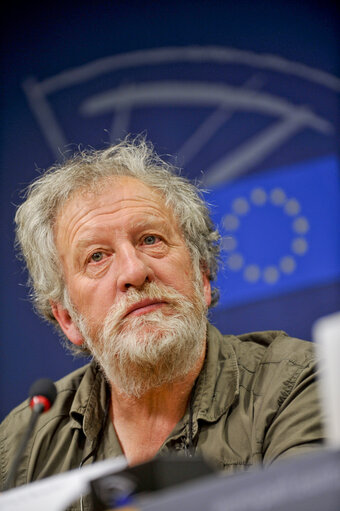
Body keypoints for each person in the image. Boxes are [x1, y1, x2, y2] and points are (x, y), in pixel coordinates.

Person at [0, 136, 323, 497]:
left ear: (201, 276)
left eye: (151, 239)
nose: (134, 272)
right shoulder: (22, 448)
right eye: (96, 256)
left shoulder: (296, 386)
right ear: (68, 319)